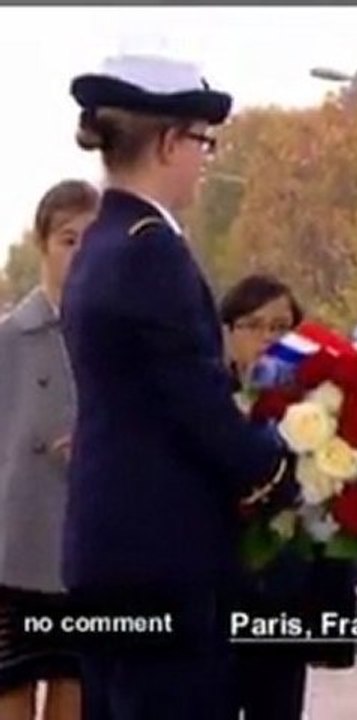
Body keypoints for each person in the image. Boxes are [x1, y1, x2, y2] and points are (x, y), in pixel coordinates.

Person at [60, 54, 294, 720]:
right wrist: (284, 469)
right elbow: (195, 402)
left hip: (112, 551)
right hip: (162, 559)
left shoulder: (106, 238)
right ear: (167, 142)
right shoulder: (150, 251)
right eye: (202, 140)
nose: (205, 158)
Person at [219, 273, 355, 720]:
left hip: (284, 606)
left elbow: (331, 519)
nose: (267, 339)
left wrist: (331, 630)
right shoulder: (205, 404)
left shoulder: (314, 410)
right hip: (213, 602)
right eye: (253, 325)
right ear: (227, 332)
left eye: (280, 327)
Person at [0, 180, 99, 720]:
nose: (80, 254)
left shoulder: (114, 340)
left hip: (84, 553)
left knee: (74, 692)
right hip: (11, 552)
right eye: (68, 240)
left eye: (91, 241)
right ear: (42, 244)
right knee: (11, 692)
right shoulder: (8, 340)